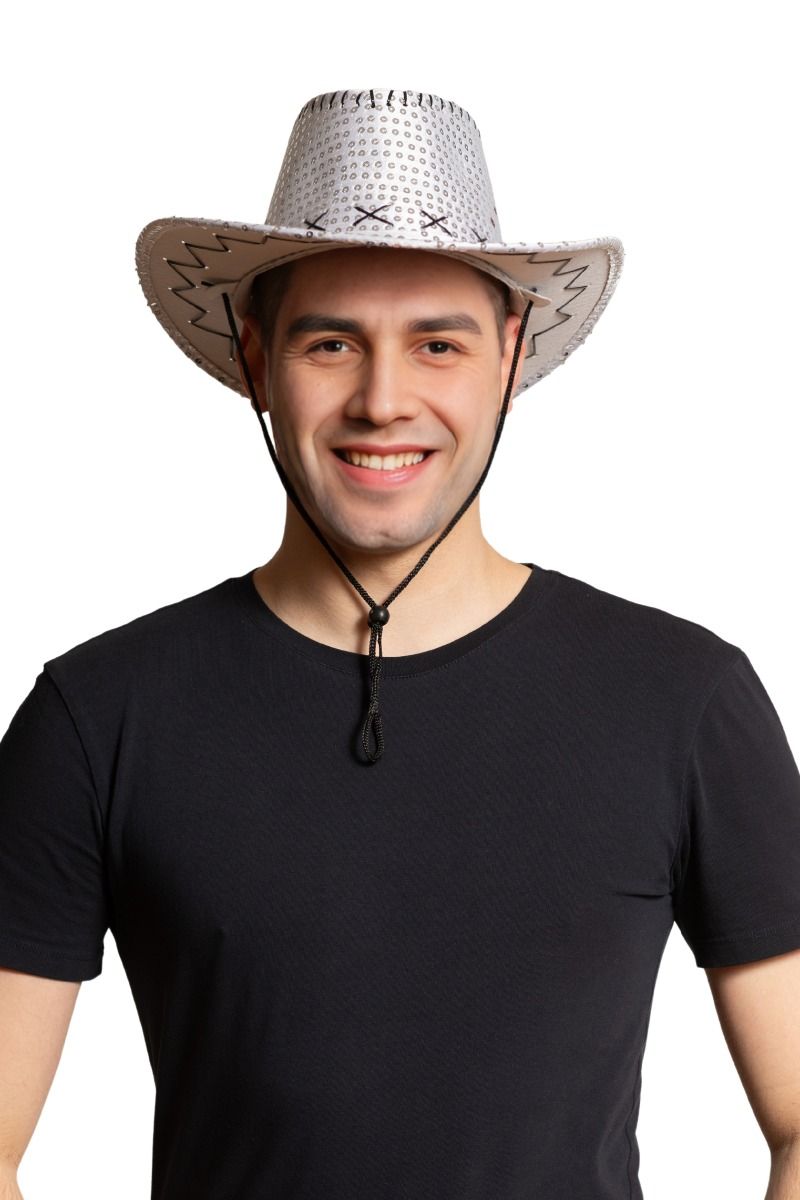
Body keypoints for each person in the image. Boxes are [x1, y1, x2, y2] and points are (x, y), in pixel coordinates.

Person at [1, 86, 799, 1200]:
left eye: (437, 343)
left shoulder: (684, 699)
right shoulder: (98, 714)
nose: (384, 400)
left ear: (509, 358)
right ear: (255, 358)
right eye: (331, 342)